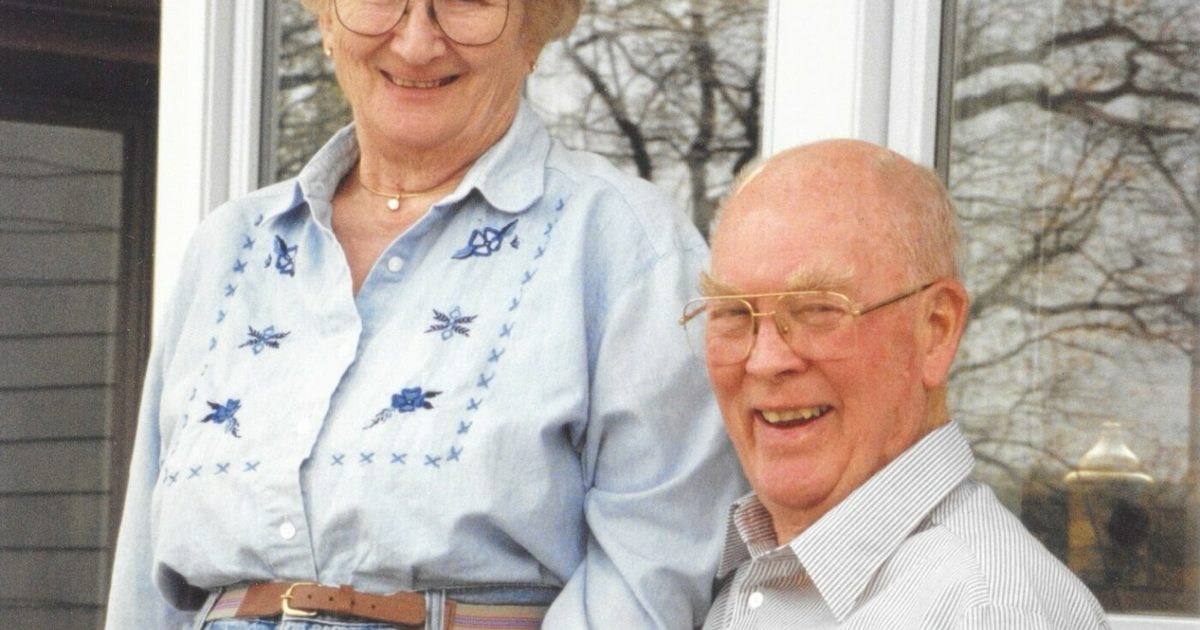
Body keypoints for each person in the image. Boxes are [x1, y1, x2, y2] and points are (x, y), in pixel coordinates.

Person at [105, 0, 745, 627]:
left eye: (466, 3)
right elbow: (147, 578)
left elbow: (652, 567)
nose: (416, 41)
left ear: (533, 32)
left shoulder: (622, 241)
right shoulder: (231, 246)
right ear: (327, 20)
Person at [683, 139, 1110, 629]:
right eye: (734, 314)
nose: (764, 361)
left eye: (818, 309)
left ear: (936, 330)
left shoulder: (990, 613)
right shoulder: (754, 579)